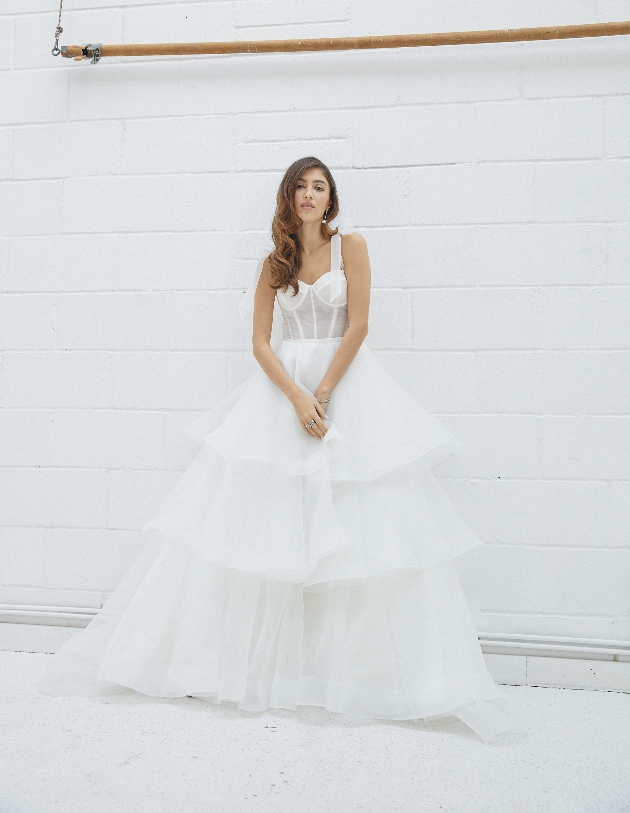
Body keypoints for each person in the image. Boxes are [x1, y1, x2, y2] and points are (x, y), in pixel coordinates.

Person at [38, 156, 525, 744]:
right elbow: (260, 343)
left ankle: (362, 677)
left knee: (360, 526)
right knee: (267, 527)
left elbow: (360, 324)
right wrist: (296, 397)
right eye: (301, 186)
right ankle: (250, 668)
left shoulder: (354, 247)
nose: (310, 195)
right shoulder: (275, 261)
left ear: (332, 198)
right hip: (282, 395)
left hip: (346, 387)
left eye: (320, 187)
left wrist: (323, 391)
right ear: (288, 197)